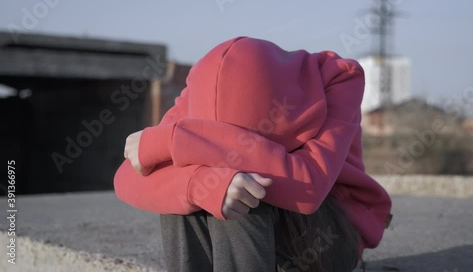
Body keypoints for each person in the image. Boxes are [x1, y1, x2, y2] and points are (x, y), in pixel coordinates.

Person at [114, 37, 392, 271]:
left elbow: (309, 186)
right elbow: (127, 176)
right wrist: (197, 185)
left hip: (330, 233)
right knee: (196, 190)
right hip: (256, 243)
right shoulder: (197, 90)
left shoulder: (337, 79)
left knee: (246, 188)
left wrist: (182, 139)